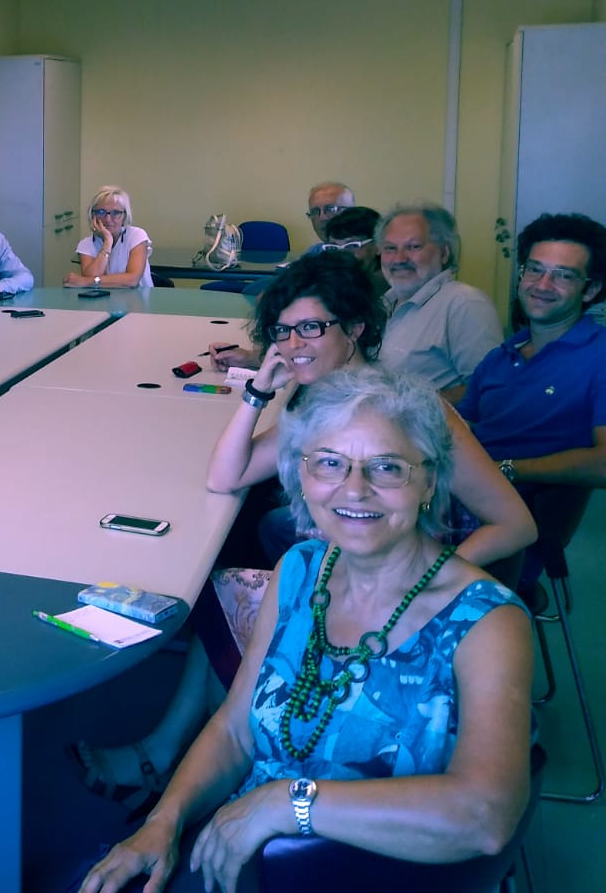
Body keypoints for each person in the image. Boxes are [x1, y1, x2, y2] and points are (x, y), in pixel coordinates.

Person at [73, 254, 534, 808]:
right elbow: (228, 475)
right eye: (282, 332)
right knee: (227, 588)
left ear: (356, 327)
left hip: (403, 594)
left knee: (227, 592)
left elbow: (516, 524)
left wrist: (427, 586)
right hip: (345, 576)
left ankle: (179, 758)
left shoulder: (414, 413)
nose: (294, 344)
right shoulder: (315, 402)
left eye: (311, 327)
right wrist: (258, 391)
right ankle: (184, 756)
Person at [78, 367, 534, 893]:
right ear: (302, 474)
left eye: (386, 467)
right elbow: (235, 728)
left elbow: (485, 816)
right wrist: (164, 821)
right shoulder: (300, 570)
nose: (354, 489)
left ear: (429, 480)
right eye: (330, 463)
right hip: (244, 848)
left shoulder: (487, 621)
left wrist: (288, 803)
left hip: (374, 874)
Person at [458, 213, 606, 587]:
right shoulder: (502, 355)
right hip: (452, 501)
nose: (542, 284)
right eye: (534, 269)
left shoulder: (599, 356)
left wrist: (507, 468)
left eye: (563, 275)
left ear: (590, 290)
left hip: (508, 531)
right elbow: (461, 427)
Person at [376, 204, 502, 403]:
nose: (399, 258)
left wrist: (414, 407)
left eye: (413, 247)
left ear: (444, 253)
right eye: (390, 248)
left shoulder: (464, 303)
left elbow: (489, 388)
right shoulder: (382, 305)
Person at [64, 185, 154, 289]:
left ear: (124, 216)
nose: (107, 219)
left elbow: (132, 280)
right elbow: (91, 277)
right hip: (104, 302)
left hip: (138, 302)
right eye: (101, 212)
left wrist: (86, 281)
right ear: (92, 215)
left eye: (115, 213)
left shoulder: (136, 235)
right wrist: (107, 243)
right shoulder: (86, 244)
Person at [319, 206, 385, 296]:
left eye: (352, 245)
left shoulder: (395, 291)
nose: (341, 254)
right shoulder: (327, 288)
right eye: (334, 247)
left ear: (378, 246)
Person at [304, 181, 356, 247]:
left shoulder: (368, 252)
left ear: (352, 213)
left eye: (330, 209)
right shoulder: (314, 253)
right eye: (315, 211)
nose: (322, 218)